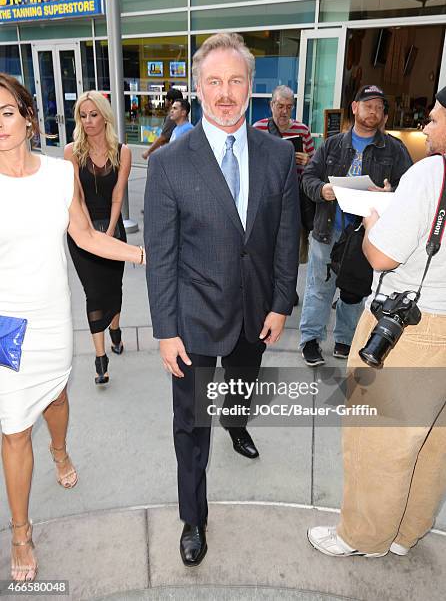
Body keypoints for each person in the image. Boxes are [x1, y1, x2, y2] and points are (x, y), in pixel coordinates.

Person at [144, 33, 299, 567]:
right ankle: (193, 517)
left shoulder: (279, 155)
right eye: (214, 81)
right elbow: (160, 255)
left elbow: (285, 236)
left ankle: (237, 424)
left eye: (235, 81)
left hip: (256, 314)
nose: (225, 93)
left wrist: (281, 302)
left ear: (250, 87)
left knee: (239, 389)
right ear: (198, 87)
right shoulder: (170, 163)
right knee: (191, 426)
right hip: (193, 319)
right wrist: (165, 330)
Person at [0, 73, 145, 583]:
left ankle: (60, 450)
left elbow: (85, 237)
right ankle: (21, 531)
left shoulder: (59, 177)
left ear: (28, 118)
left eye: (6, 112)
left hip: (50, 318)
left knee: (57, 398)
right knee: (14, 429)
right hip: (4, 327)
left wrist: (141, 252)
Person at [308, 85, 446, 558]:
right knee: (431, 440)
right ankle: (408, 532)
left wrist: (372, 225)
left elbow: (382, 256)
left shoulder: (431, 172)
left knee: (377, 438)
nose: (427, 127)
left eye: (435, 118)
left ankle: (363, 536)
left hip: (409, 327)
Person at [300, 85, 413, 366]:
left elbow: (411, 188)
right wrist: (322, 189)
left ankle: (344, 340)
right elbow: (308, 177)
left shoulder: (395, 150)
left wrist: (391, 193)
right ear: (354, 108)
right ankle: (311, 340)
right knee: (319, 287)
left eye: (379, 107)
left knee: (356, 288)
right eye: (368, 105)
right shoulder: (332, 144)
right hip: (328, 229)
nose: (373, 111)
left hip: (366, 234)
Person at [65, 91, 131, 384]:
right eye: (83, 115)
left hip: (112, 227)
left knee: (112, 288)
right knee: (94, 292)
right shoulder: (71, 152)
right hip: (81, 232)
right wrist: (90, 232)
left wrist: (109, 231)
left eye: (94, 114)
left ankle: (115, 331)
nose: (89, 121)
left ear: (104, 116)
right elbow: (76, 197)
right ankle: (100, 357)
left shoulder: (122, 151)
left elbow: (118, 196)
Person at [253, 85, 315, 306]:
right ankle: (267, 288)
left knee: (292, 247)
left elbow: (314, 167)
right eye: (280, 106)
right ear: (271, 105)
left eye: (289, 107)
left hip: (294, 199)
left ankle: (287, 289)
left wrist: (307, 162)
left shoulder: (303, 131)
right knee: (265, 245)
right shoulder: (258, 128)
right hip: (265, 198)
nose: (284, 111)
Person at [141, 88, 183, 160]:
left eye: (166, 99)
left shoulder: (172, 117)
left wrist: (148, 152)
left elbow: (163, 138)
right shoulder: (181, 115)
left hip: (171, 155)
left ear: (170, 101)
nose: (164, 101)